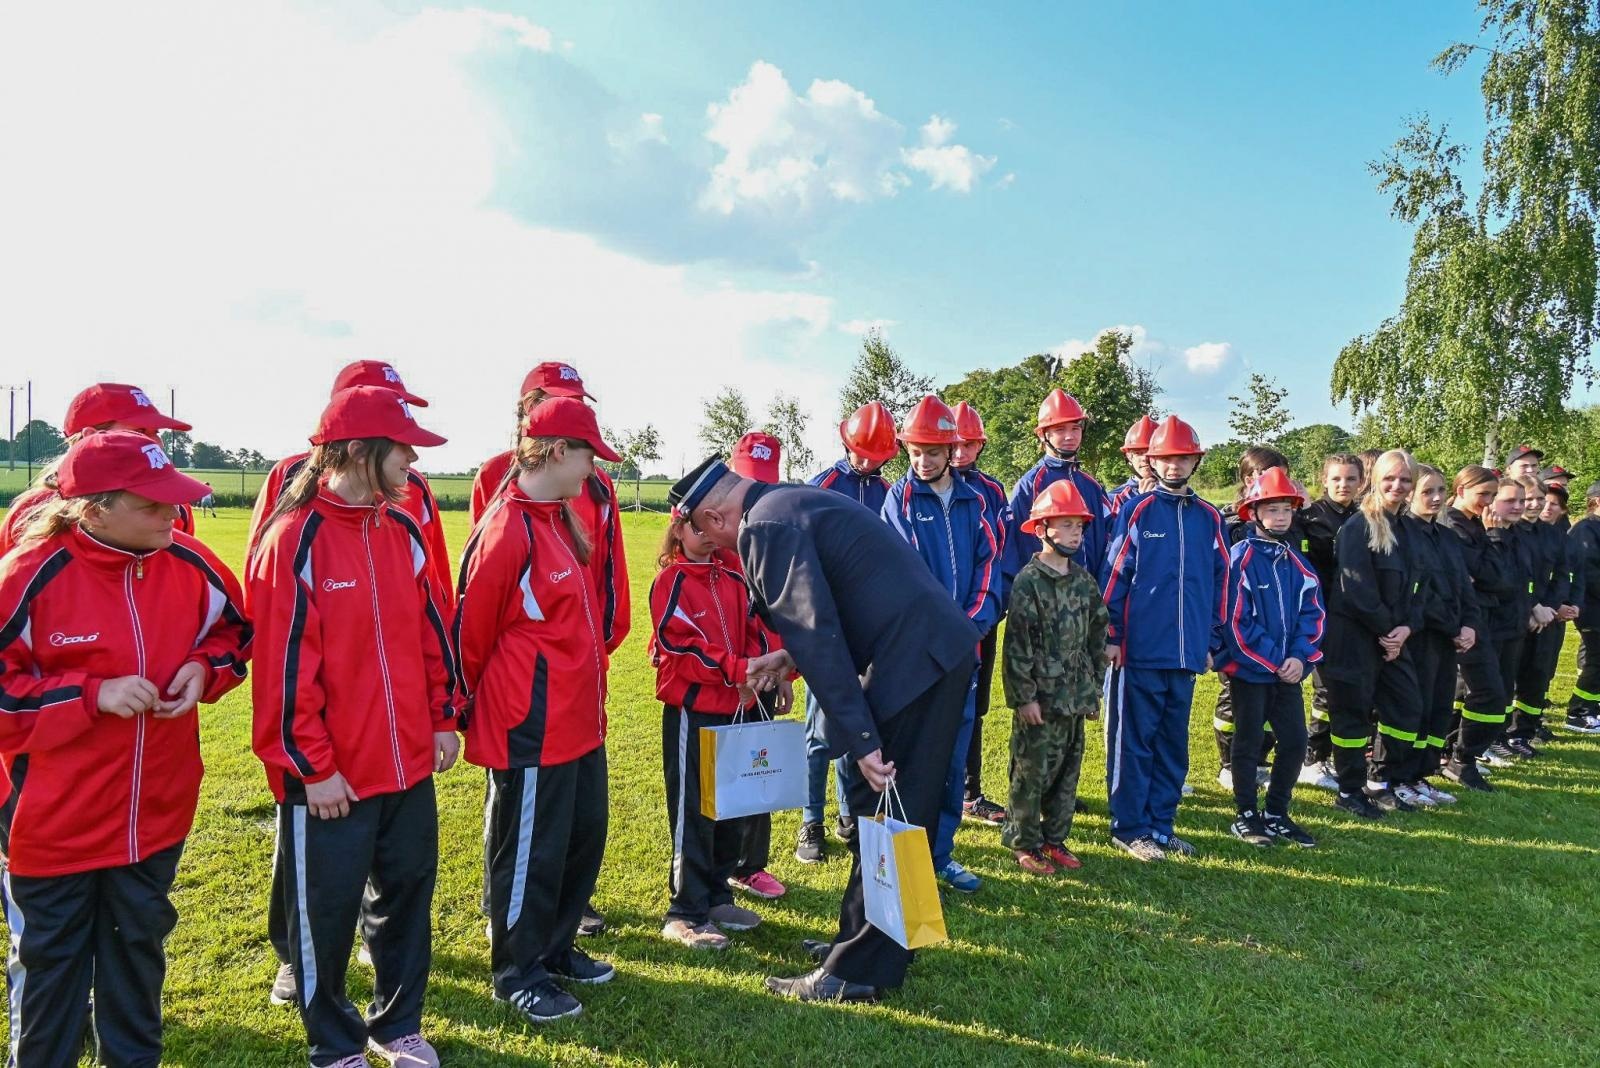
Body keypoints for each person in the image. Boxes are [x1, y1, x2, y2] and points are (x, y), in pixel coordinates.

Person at [672, 455, 980, 1002]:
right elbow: (839, 606)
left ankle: (858, 969)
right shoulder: (788, 502)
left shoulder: (763, 527)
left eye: (708, 536)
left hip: (914, 664)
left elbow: (817, 633)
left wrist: (862, 740)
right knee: (881, 806)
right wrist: (789, 657)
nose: (716, 548)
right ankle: (872, 940)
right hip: (925, 653)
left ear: (716, 518)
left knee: (888, 808)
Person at [0, 431, 250, 1068]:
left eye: (174, 498)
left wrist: (203, 669)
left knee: (137, 962)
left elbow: (237, 633)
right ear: (94, 507)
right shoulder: (27, 576)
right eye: (152, 503)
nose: (173, 512)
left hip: (155, 818)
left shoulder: (191, 563)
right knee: (52, 977)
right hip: (54, 828)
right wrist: (90, 695)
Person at [250, 386, 458, 1067]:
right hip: (332, 778)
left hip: (408, 766)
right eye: (403, 448)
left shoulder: (403, 529)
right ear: (360, 449)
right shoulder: (293, 539)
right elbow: (283, 670)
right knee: (325, 917)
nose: (412, 461)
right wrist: (314, 768)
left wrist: (442, 717)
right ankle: (335, 1044)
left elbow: (432, 634)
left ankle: (398, 1025)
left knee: (407, 898)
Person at [454, 399, 620, 1025]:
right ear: (556, 451)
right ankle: (517, 972)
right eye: (588, 456)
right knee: (530, 851)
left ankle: (554, 947)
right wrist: (457, 711)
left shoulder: (558, 520)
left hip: (580, 722)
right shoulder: (506, 528)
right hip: (531, 724)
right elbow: (470, 634)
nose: (593, 470)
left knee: (582, 836)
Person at [650, 488, 793, 949]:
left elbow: (757, 628)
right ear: (678, 528)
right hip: (694, 713)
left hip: (740, 709)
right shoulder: (671, 581)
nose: (709, 535)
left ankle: (717, 895)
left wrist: (771, 673)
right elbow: (680, 645)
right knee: (694, 812)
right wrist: (739, 670)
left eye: (715, 525)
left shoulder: (732, 574)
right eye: (698, 527)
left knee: (731, 806)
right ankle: (685, 911)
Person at [881, 396, 998, 894]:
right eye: (915, 451)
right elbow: (902, 575)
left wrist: (970, 626)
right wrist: (939, 634)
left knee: (952, 758)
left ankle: (939, 855)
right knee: (909, 761)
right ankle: (900, 862)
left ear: (952, 451)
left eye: (933, 451)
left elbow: (990, 570)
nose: (923, 461)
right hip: (917, 656)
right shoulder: (900, 501)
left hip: (963, 654)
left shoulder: (975, 503)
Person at [1101, 415, 1228, 861]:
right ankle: (1130, 827)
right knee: (1134, 742)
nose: (1174, 466)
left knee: (1173, 743)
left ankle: (1161, 824)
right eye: (1166, 459)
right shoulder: (1138, 511)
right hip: (1139, 651)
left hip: (1187, 652)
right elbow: (1115, 573)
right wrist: (1113, 634)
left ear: (1196, 461)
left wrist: (1211, 640)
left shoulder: (1209, 517)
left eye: (1183, 458)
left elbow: (1222, 581)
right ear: (1152, 461)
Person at [247, 361, 453, 605]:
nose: (401, 413)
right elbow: (265, 572)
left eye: (401, 404)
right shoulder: (289, 474)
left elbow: (433, 575)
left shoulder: (412, 484)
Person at [794, 401, 896, 865]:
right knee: (820, 729)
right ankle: (810, 820)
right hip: (827, 626)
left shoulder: (889, 494)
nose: (868, 463)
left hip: (869, 627)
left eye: (877, 457)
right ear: (847, 443)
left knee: (856, 723)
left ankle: (848, 813)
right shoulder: (822, 487)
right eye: (862, 453)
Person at [1001, 480, 1108, 874]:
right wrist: (1024, 697)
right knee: (1031, 772)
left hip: (1075, 696)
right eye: (1066, 525)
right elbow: (1017, 645)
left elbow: (1098, 634)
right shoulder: (1028, 581)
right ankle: (1024, 842)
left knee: (1067, 772)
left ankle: (1055, 839)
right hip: (1041, 699)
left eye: (1079, 526)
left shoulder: (1083, 581)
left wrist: (1094, 688)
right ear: (1042, 529)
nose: (1075, 533)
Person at [1217, 468, 1323, 847]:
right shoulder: (1240, 559)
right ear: (1254, 513)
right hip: (1250, 673)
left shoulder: (1297, 563)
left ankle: (1277, 812)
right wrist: (1276, 661)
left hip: (1287, 673)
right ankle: (1246, 814)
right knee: (1247, 743)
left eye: (1286, 510)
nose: (1280, 517)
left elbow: (1313, 615)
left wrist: (1299, 659)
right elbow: (1235, 621)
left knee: (1294, 741)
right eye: (1272, 509)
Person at [1321, 449, 1426, 818]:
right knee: (1352, 717)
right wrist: (1387, 631)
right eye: (1390, 478)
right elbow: (1356, 588)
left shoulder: (1410, 529)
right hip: (1354, 638)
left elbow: (1420, 587)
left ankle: (1379, 781)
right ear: (1374, 480)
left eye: (1406, 479)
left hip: (1394, 639)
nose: (1398, 485)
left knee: (1407, 708)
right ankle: (1349, 790)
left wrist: (1406, 629)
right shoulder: (1358, 526)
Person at [0, 383, 195, 556]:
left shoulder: (175, 505)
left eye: (156, 432)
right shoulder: (31, 509)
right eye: (139, 431)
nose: (157, 444)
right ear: (92, 436)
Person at [1212, 446, 1306, 788]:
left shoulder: (1291, 536)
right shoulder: (1233, 530)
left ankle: (1261, 766)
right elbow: (1230, 603)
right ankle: (1230, 766)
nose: (1280, 515)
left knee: (1279, 721)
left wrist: (1296, 656)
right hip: (1245, 654)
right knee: (1236, 710)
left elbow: (1309, 602)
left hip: (1282, 651)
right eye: (1260, 473)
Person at [723, 430, 788, 903]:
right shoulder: (714, 536)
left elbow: (782, 611)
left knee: (759, 768)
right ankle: (717, 866)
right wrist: (741, 671)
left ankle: (751, 865)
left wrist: (784, 673)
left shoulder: (773, 534)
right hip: (727, 677)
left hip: (765, 674)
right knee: (723, 775)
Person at [1439, 469, 1523, 790]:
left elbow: (1501, 579)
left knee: (1478, 692)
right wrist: (1494, 539)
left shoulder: (1478, 523)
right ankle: (1462, 758)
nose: (1488, 502)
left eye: (1492, 495)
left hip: (1480, 617)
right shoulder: (1453, 524)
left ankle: (1456, 756)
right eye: (1483, 494)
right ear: (1461, 490)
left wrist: (1487, 571)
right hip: (1462, 621)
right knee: (1488, 693)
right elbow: (1486, 576)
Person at [950, 401, 1011, 829]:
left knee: (976, 704)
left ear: (980, 446)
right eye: (954, 444)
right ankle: (938, 788)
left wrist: (990, 608)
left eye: (969, 444)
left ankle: (971, 793)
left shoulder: (992, 490)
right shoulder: (920, 488)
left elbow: (1001, 554)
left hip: (981, 619)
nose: (960, 453)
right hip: (937, 622)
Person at [1401, 464, 1475, 806]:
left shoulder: (1446, 536)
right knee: (1414, 708)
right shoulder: (1404, 534)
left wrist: (1469, 624)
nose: (1435, 498)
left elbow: (1463, 586)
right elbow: (1419, 594)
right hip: (1421, 634)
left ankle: (1422, 773)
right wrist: (1452, 627)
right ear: (1410, 495)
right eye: (1427, 491)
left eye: (1440, 490)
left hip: (1449, 636)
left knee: (1438, 707)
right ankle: (1400, 775)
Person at [1296, 454, 1363, 788]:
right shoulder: (1309, 517)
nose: (1343, 485)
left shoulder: (1365, 517)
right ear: (1324, 480)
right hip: (1322, 613)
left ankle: (1339, 754)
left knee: (1351, 688)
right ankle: (1313, 757)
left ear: (1361, 482)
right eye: (1336, 478)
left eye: (1350, 479)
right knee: (1326, 689)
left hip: (1357, 616)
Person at [1009, 389, 1112, 576]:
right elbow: (1019, 548)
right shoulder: (1029, 485)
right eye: (1060, 430)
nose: (1069, 436)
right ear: (1043, 435)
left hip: (1091, 588)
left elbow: (1109, 538)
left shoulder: (1093, 486)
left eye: (1075, 428)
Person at [1509, 473, 1576, 750]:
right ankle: (1503, 734)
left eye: (1540, 498)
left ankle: (1523, 733)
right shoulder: (1511, 532)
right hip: (1518, 616)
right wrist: (1532, 608)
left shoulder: (1552, 534)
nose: (1536, 504)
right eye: (1529, 499)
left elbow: (1562, 574)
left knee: (1537, 676)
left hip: (1546, 618)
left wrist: (1549, 607)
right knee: (1509, 677)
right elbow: (1513, 576)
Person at [1564, 480, 1600, 733]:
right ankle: (1578, 712)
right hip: (1591, 606)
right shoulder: (1586, 528)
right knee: (1596, 661)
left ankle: (1591, 707)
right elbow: (1589, 572)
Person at [1108, 414, 1158, 515]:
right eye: (1138, 453)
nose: (1144, 458)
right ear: (1129, 457)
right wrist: (1140, 504)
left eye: (1150, 452)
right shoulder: (1115, 499)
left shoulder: (1180, 494)